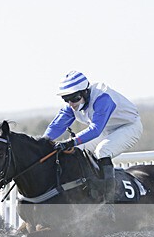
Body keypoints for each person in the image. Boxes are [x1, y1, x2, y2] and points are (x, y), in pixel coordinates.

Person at [42, 71, 143, 203]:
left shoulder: (103, 98)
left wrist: (71, 141)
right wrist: (42, 143)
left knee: (103, 150)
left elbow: (95, 129)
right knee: (75, 150)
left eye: (74, 98)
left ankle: (109, 200)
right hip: (106, 129)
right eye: (67, 100)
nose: (71, 104)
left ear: (85, 92)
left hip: (129, 127)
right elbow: (56, 127)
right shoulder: (71, 106)